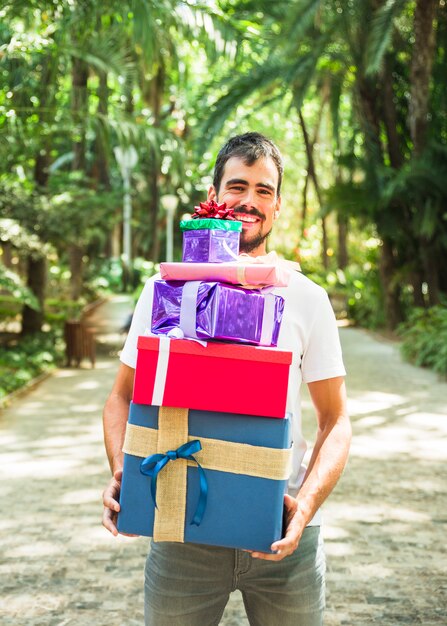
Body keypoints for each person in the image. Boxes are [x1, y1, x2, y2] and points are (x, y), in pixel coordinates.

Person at [102, 132, 351, 626]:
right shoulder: (163, 291)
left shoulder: (306, 298)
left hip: (283, 533)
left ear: (278, 206)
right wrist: (123, 472)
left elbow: (336, 420)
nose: (250, 201)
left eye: (264, 190)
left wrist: (304, 508)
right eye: (238, 186)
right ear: (215, 196)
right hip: (180, 535)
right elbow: (121, 400)